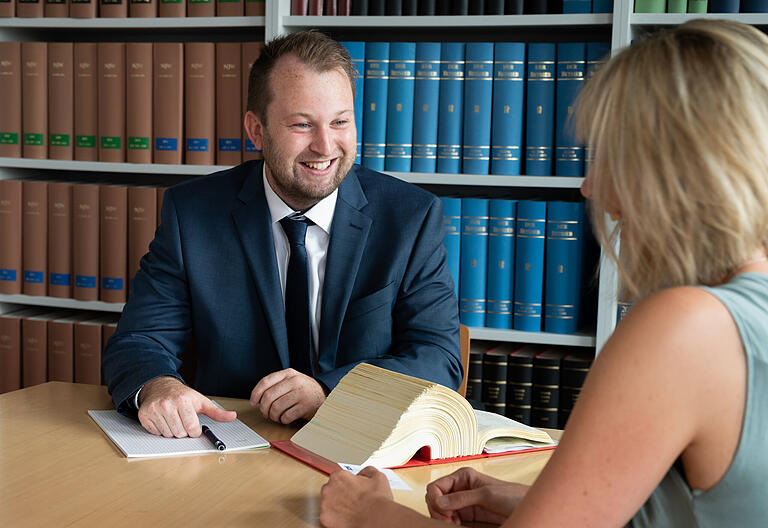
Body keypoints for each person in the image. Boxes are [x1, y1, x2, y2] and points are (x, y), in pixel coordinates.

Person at [319, 19, 768, 528]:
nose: (590, 186)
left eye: (609, 155)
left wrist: (370, 514)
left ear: (671, 167)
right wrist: (531, 507)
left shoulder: (686, 324)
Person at [101, 31, 462, 438]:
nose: (325, 145)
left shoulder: (410, 218)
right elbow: (138, 341)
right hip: (231, 447)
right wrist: (158, 386)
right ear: (256, 130)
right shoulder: (193, 214)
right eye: (302, 125)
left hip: (361, 450)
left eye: (340, 121)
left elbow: (437, 358)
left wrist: (328, 390)